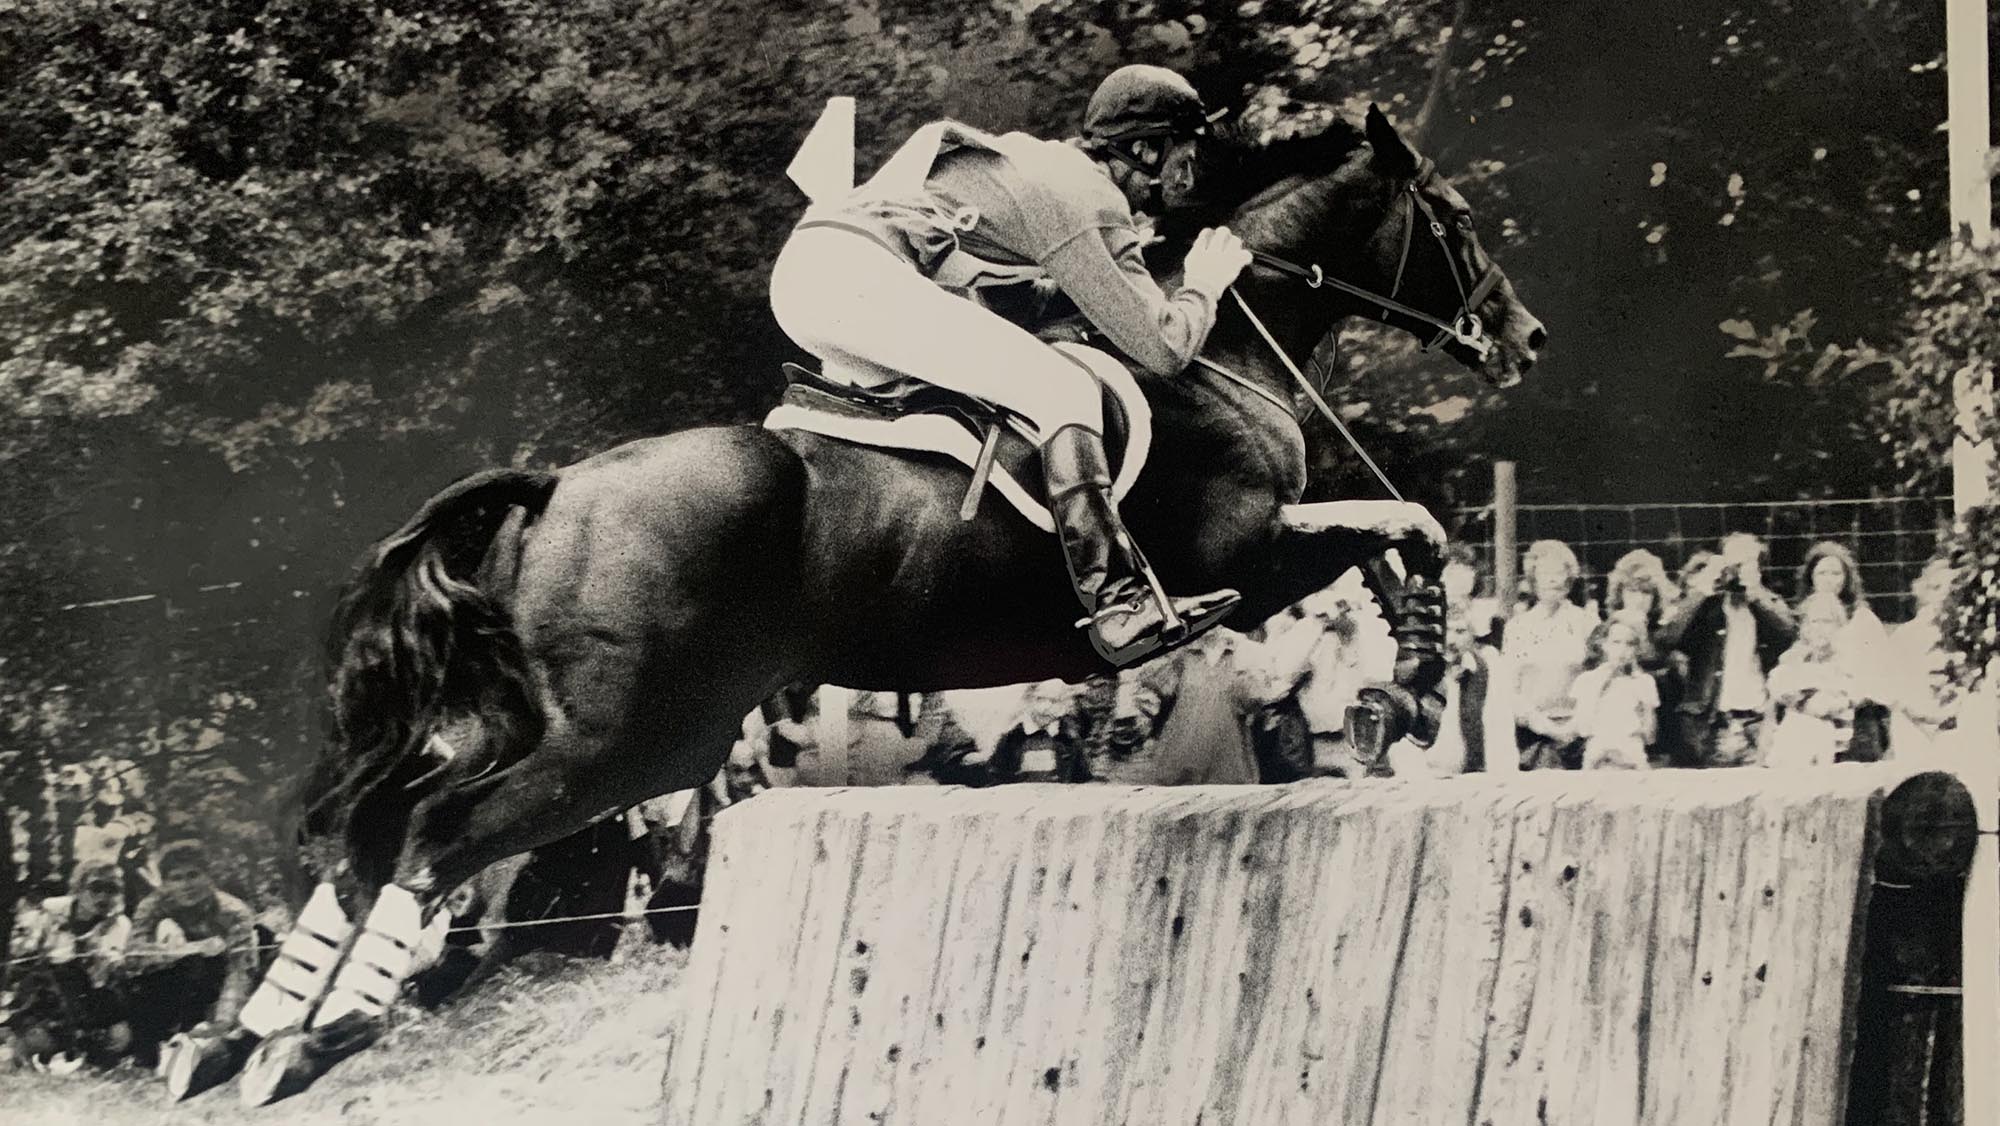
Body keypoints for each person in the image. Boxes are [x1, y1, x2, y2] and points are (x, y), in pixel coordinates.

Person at [769, 65, 1250, 666]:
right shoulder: (1093, 201)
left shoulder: (1045, 164)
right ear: (1145, 148)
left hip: (812, 269)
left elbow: (1009, 304)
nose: (1190, 168)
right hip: (860, 274)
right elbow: (1165, 350)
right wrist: (1203, 285)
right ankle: (1119, 603)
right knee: (1062, 386)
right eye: (1186, 149)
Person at [1656, 532, 1797, 767]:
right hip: (1713, 723)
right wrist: (1702, 589)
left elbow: (1789, 635)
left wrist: (1756, 594)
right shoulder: (1705, 608)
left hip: (1758, 719)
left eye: (1746, 563)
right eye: (1734, 562)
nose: (1737, 570)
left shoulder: (1767, 602)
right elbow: (1666, 638)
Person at [122, 840, 259, 1067]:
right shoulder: (153, 905)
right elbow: (133, 956)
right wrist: (189, 949)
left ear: (209, 877)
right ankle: (149, 1047)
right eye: (176, 878)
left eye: (193, 875)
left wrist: (224, 1021)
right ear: (165, 884)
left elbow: (240, 971)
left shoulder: (233, 911)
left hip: (218, 981)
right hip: (176, 979)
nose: (186, 885)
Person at [5, 861, 133, 1067]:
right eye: (96, 888)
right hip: (44, 992)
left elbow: (106, 978)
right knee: (39, 1040)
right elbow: (22, 957)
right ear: (79, 889)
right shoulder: (50, 911)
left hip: (89, 997)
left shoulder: (119, 924)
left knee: (119, 1038)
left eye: (112, 890)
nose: (103, 897)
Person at [1505, 540, 1600, 769]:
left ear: (1569, 580)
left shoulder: (1586, 623)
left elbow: (1599, 680)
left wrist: (1574, 726)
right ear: (1533, 578)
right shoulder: (1518, 626)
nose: (1553, 579)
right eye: (1546, 573)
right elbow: (1509, 688)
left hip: (1579, 736)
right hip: (1533, 737)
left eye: (1560, 572)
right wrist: (1541, 724)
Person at [1790, 540, 1890, 759]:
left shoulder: (1863, 619)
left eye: (1836, 573)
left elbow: (1881, 671)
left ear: (1847, 578)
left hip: (1859, 720)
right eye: (1822, 573)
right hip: (1814, 723)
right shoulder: (1806, 618)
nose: (1829, 580)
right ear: (1811, 578)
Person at [1766, 603, 1857, 768]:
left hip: (1834, 740)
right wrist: (1804, 696)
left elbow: (1835, 701)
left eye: (1827, 622)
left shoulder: (1846, 661)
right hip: (1795, 736)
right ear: (1806, 627)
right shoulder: (1794, 658)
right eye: (1815, 622)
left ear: (1839, 627)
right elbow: (1779, 686)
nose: (1820, 628)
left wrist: (1810, 693)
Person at [1568, 619, 1659, 770]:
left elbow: (1650, 734)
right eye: (1616, 642)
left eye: (1630, 644)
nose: (1623, 650)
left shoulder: (1644, 681)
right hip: (1597, 751)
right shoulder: (1587, 680)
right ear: (1603, 644)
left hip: (1631, 751)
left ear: (1637, 648)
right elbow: (1581, 726)